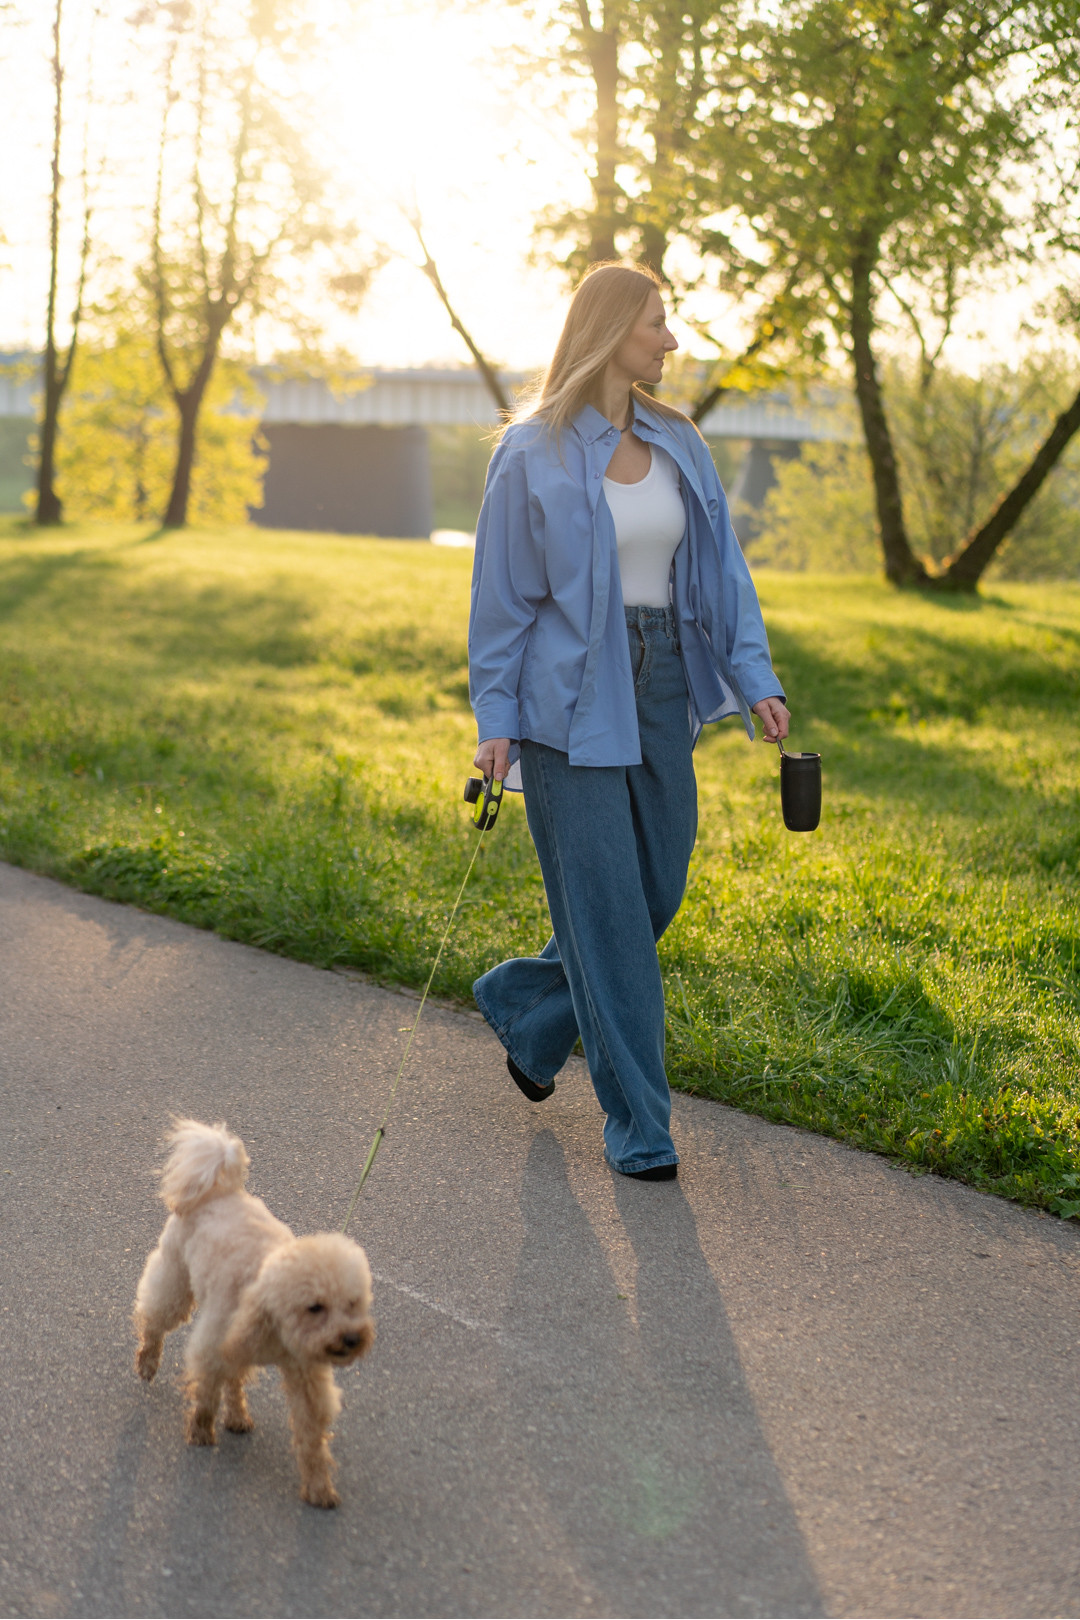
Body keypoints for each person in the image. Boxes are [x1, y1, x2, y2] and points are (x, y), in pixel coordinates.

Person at [468, 263, 790, 1181]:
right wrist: (496, 717)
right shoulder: (530, 451)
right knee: (608, 918)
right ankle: (640, 1127)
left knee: (653, 893)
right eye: (658, 323)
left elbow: (722, 571)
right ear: (613, 331)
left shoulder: (681, 440)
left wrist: (754, 678)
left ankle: (529, 1008)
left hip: (660, 688)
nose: (673, 340)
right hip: (562, 704)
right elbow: (502, 601)